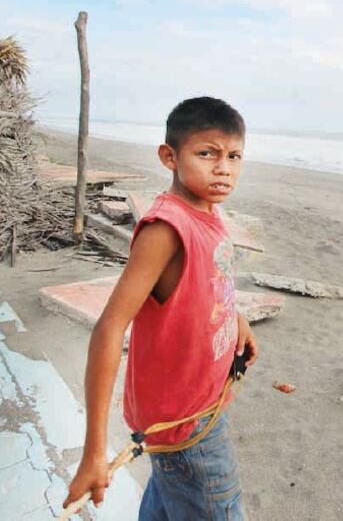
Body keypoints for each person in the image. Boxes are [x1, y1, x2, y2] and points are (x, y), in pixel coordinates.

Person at [64, 96, 257, 520]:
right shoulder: (166, 230)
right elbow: (110, 327)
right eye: (206, 153)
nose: (223, 167)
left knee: (168, 501)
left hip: (201, 405)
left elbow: (209, 281)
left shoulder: (207, 210)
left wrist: (235, 318)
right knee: (217, 507)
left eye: (234, 156)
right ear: (169, 156)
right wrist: (95, 451)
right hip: (184, 427)